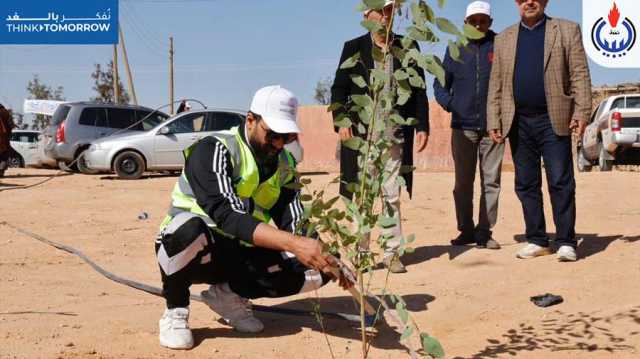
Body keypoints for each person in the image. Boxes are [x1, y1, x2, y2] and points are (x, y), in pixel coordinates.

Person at [155, 85, 349, 350]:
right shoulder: (214, 150)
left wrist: (326, 255)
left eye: (287, 136)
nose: (280, 143)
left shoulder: (283, 166)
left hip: (238, 252)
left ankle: (228, 296)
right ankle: (175, 309)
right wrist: (293, 243)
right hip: (194, 250)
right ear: (250, 120)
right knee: (187, 229)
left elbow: (295, 221)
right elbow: (227, 215)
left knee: (317, 267)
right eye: (273, 134)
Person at [487, 0, 592, 261]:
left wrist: (582, 111)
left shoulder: (567, 30)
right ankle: (537, 238)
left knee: (560, 180)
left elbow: (580, 73)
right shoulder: (504, 38)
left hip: (554, 119)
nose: (529, 2)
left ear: (545, 1)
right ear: (516, 3)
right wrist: (494, 120)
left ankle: (566, 240)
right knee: (526, 183)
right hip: (518, 122)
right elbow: (496, 82)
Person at [330, 0, 429, 273]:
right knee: (361, 197)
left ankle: (392, 253)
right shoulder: (353, 48)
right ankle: (360, 254)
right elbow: (339, 90)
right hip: (362, 139)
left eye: (390, 10)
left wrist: (422, 126)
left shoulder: (408, 47)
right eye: (380, 10)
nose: (385, 16)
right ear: (367, 15)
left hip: (394, 137)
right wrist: (341, 121)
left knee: (391, 195)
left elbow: (419, 91)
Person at [433, 1, 504, 250]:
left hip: (493, 127)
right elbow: (440, 83)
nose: (478, 24)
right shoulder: (455, 48)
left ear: (490, 23)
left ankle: (485, 232)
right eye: (473, 20)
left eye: (482, 21)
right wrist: (452, 104)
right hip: (462, 127)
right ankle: (466, 229)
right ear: (465, 23)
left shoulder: (500, 45)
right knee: (463, 182)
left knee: (491, 181)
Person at [0, 105, 16, 178]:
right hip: (4, 137)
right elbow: (11, 125)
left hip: (3, 137)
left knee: (4, 153)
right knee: (5, 153)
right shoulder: (5, 111)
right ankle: (1, 170)